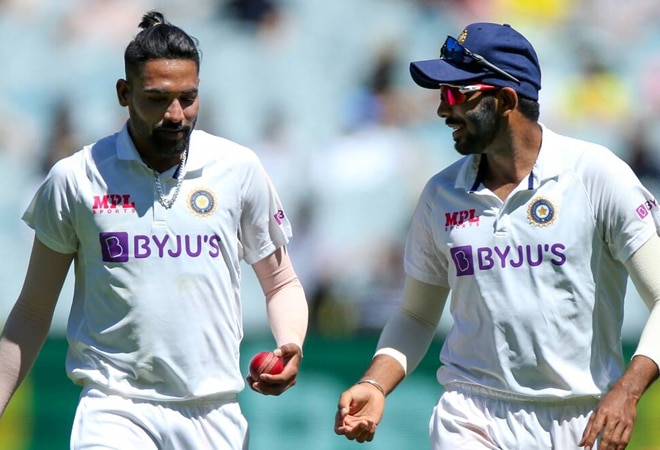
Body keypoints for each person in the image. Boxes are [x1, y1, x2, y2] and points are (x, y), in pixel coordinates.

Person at [334, 22, 660, 450]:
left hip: (581, 418)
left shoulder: (595, 175)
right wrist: (375, 383)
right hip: (471, 412)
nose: (442, 110)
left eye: (455, 95)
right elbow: (416, 315)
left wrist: (627, 390)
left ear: (505, 99)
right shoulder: (440, 194)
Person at [0, 11, 308, 450]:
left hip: (214, 411)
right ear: (125, 93)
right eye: (158, 98)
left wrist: (290, 343)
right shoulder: (76, 178)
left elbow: (280, 282)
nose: (176, 114)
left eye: (188, 97)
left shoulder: (237, 169)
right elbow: (31, 311)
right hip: (113, 407)